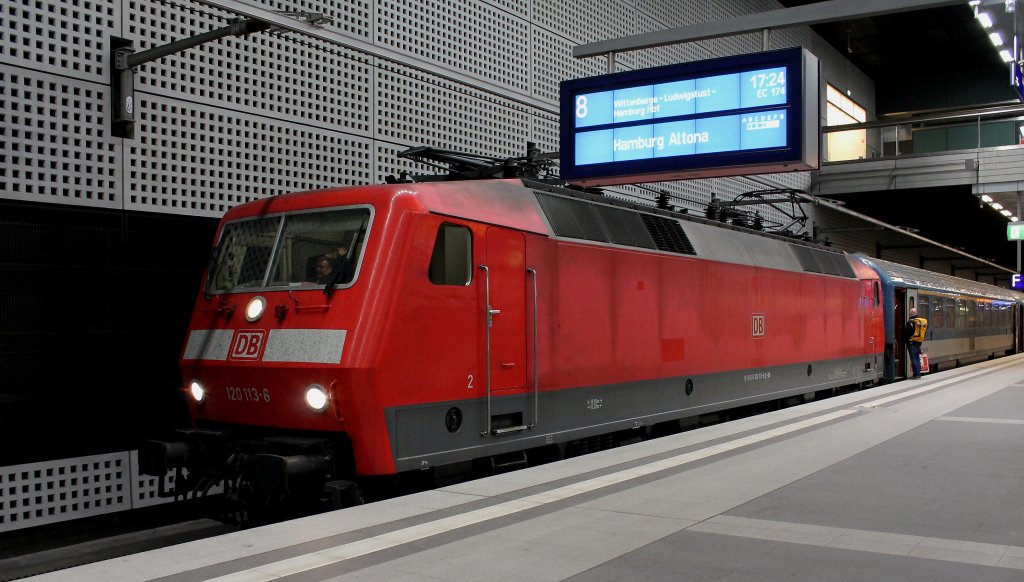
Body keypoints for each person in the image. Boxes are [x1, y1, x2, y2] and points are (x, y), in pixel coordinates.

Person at [905, 307, 928, 379]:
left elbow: (907, 333)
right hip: (918, 342)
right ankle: (918, 373)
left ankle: (916, 374)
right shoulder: (921, 322)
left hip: (911, 343)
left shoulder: (910, 322)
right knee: (917, 358)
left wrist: (905, 340)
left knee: (914, 358)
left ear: (910, 314)